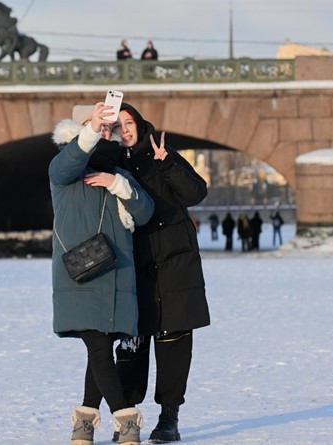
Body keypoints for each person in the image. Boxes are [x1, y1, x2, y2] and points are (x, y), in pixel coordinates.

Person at [49, 102, 154, 445]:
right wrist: (92, 128)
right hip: (82, 275)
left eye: (107, 127)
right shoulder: (64, 167)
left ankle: (84, 424)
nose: (106, 131)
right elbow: (73, 157)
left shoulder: (118, 173)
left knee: (100, 349)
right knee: (97, 345)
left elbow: (144, 212)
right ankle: (126, 420)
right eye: (100, 126)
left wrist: (117, 184)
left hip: (115, 276)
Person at [113, 102, 210, 443]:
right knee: (131, 344)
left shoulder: (162, 154)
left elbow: (196, 192)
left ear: (140, 125)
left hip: (174, 263)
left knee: (173, 342)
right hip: (131, 267)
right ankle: (127, 417)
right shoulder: (108, 161)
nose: (124, 130)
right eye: (117, 125)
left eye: (129, 123)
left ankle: (169, 417)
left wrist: (166, 164)